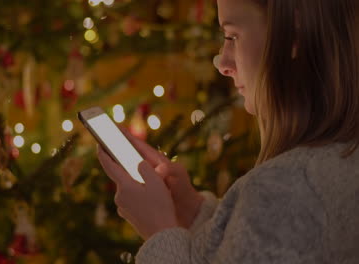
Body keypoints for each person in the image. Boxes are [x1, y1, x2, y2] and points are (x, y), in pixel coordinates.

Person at [97, 0, 359, 263]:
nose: (222, 63)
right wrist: (195, 214)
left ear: (292, 33)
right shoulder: (339, 161)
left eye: (232, 36)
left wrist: (159, 232)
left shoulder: (285, 188)